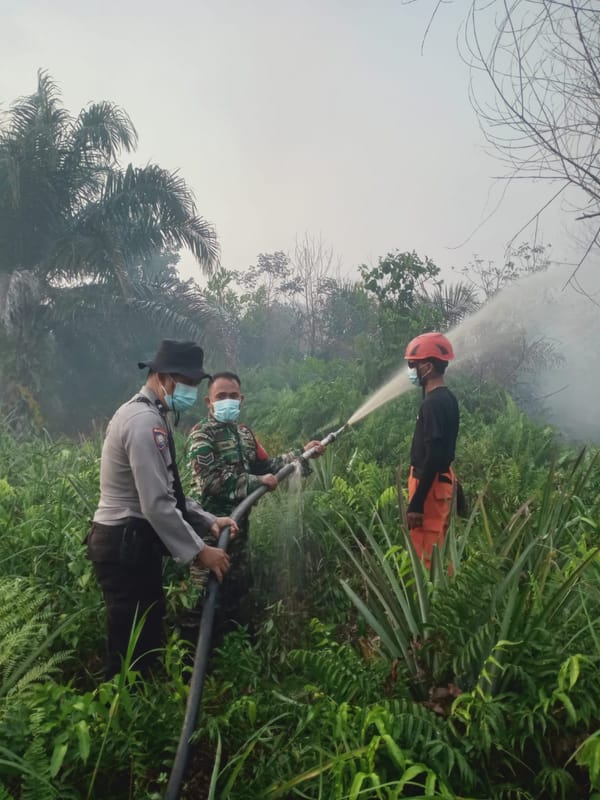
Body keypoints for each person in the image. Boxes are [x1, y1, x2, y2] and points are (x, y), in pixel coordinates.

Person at [87, 340, 238, 678]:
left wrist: (209, 520)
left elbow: (170, 491)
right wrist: (201, 552)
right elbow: (156, 504)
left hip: (130, 542)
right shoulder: (144, 422)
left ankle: (135, 704)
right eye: (188, 384)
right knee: (132, 641)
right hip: (123, 541)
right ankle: (120, 711)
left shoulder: (148, 413)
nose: (191, 391)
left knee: (145, 628)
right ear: (165, 378)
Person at [186, 371, 324, 632]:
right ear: (209, 402)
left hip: (240, 530)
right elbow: (211, 481)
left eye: (233, 396)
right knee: (204, 598)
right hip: (209, 533)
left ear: (241, 399)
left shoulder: (245, 435)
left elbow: (268, 465)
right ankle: (198, 660)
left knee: (236, 591)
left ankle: (236, 651)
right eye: (221, 396)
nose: (228, 400)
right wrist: (256, 482)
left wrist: (303, 454)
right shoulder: (201, 436)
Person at [404, 332, 459, 569]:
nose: (411, 370)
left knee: (427, 554)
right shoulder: (447, 398)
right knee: (438, 545)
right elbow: (445, 449)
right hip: (440, 482)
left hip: (429, 486)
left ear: (427, 367)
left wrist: (416, 503)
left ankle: (431, 602)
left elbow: (435, 455)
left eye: (412, 365)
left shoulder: (432, 404)